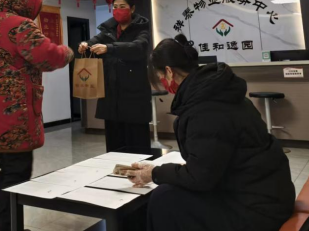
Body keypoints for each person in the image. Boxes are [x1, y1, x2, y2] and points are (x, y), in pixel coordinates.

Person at [126, 34, 295, 231]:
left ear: (169, 72)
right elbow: (211, 161)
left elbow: (200, 178)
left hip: (257, 210)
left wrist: (154, 173)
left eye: (160, 77)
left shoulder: (206, 109)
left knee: (164, 198)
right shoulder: (219, 93)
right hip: (265, 193)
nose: (162, 82)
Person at [0, 0, 74, 231]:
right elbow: (46, 56)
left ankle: (6, 225)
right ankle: (5, 227)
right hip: (13, 114)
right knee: (17, 172)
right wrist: (67, 52)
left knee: (8, 169)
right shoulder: (20, 25)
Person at [79, 0, 151, 152]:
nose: (118, 10)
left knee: (137, 141)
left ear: (132, 9)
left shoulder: (141, 29)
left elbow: (138, 48)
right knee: (114, 142)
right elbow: (94, 41)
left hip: (134, 95)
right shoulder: (109, 29)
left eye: (122, 6)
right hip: (111, 94)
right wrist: (85, 44)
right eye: (115, 7)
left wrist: (110, 48)